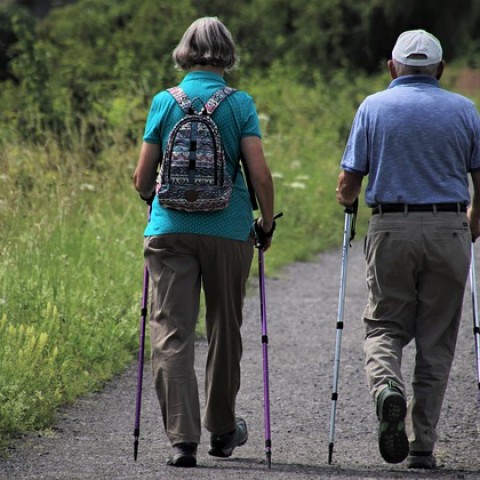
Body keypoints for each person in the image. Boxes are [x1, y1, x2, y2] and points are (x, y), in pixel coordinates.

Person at [133, 17, 275, 468]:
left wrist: (156, 204)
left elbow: (141, 178)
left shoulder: (163, 101)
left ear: (185, 52)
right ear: (227, 52)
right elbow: (258, 173)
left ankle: (182, 440)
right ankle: (223, 430)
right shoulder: (240, 104)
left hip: (169, 230)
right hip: (229, 229)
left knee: (172, 331)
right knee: (224, 329)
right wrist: (266, 222)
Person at [336, 29, 480, 469]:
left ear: (392, 67)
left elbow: (348, 184)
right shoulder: (465, 110)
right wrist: (470, 227)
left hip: (391, 228)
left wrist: (347, 201)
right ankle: (422, 447)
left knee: (383, 326)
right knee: (437, 340)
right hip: (449, 226)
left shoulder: (373, 106)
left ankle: (385, 388)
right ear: (439, 69)